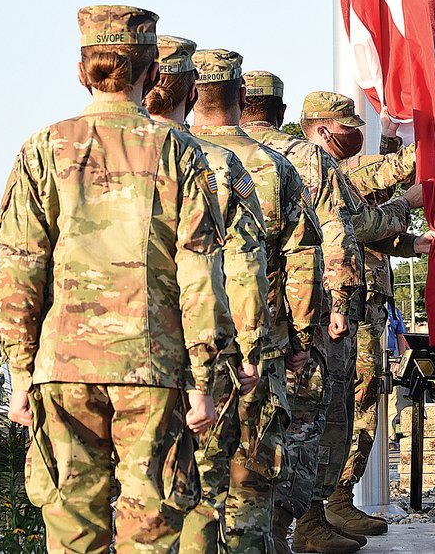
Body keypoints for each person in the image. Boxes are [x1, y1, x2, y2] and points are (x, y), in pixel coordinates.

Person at [0, 5, 235, 554]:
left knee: (73, 534)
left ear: (83, 71)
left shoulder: (42, 149)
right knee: (150, 534)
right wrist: (201, 381)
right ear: (153, 72)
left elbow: (18, 270)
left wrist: (20, 373)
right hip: (152, 364)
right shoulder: (179, 151)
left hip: (63, 365)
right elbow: (201, 274)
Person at [192, 58, 324, 554]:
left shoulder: (172, 157)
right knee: (250, 476)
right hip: (258, 345)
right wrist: (303, 340)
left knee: (188, 482)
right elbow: (303, 262)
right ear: (240, 98)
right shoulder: (271, 166)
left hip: (179, 345)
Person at [145, 38, 269, 554]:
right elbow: (240, 263)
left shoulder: (65, 150)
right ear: (187, 91)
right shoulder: (210, 163)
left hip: (99, 359)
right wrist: (249, 349)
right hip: (196, 352)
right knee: (199, 492)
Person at [241, 76, 363, 554]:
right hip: (291, 317)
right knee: (304, 420)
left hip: (219, 318)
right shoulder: (306, 157)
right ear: (282, 108)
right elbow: (331, 236)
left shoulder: (195, 147)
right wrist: (334, 307)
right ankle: (299, 523)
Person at [331, 115, 431, 539]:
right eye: (347, 126)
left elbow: (375, 219)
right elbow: (370, 213)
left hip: (368, 302)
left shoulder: (347, 175)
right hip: (352, 301)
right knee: (358, 398)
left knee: (366, 397)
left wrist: (411, 244)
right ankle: (333, 499)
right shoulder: (331, 173)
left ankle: (337, 498)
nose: (358, 134)